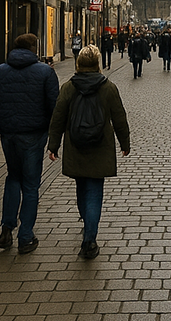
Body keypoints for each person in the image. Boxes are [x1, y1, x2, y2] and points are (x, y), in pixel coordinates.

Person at [48, 45, 130, 259]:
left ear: (78, 64)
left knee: (81, 187)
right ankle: (90, 240)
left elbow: (58, 118)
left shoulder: (68, 87)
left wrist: (53, 146)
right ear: (97, 63)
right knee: (95, 190)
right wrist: (125, 143)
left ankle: (87, 225)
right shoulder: (108, 87)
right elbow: (119, 118)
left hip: (76, 145)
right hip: (100, 146)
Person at [0, 33, 59, 255]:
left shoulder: (0, 71)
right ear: (34, 48)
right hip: (34, 135)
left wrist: (2, 127)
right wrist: (48, 131)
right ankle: (25, 236)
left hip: (9, 135)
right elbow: (54, 106)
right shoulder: (46, 72)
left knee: (12, 178)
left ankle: (6, 228)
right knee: (31, 185)